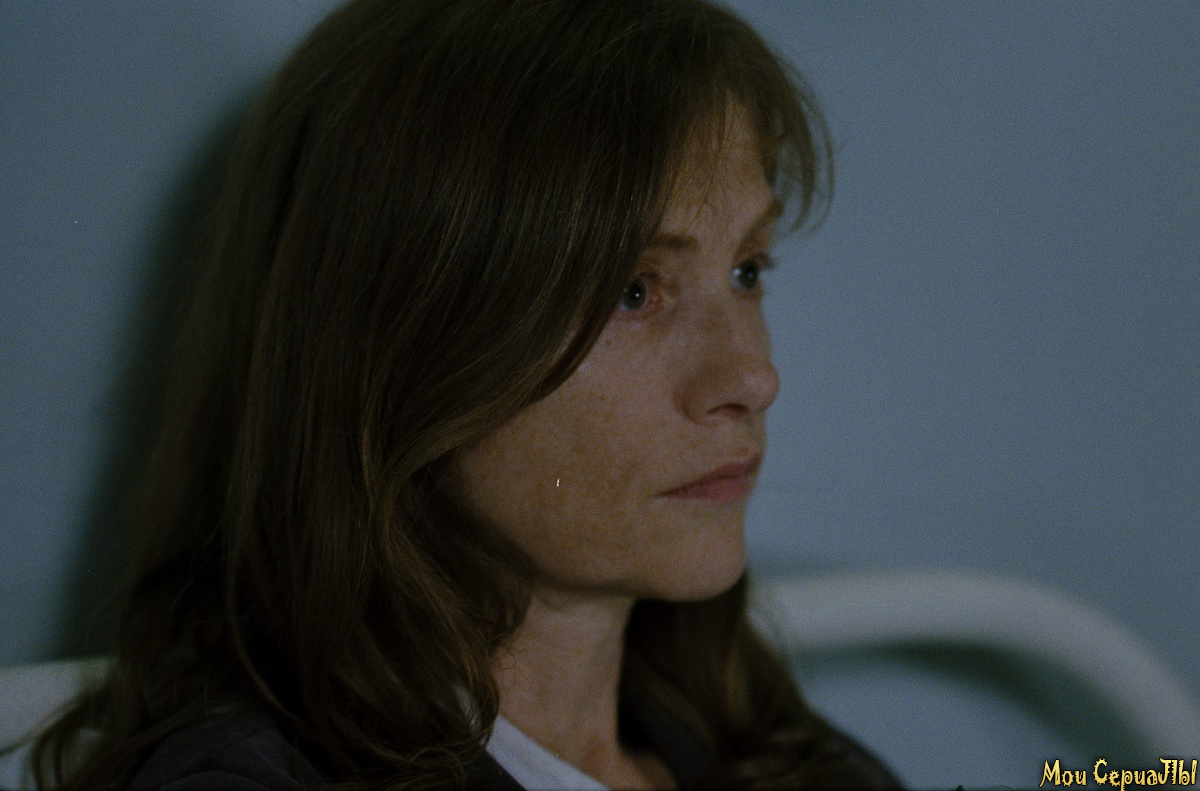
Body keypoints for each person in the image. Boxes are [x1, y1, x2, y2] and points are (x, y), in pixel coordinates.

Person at [33, 0, 899, 788]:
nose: (752, 377)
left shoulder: (785, 754)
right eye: (632, 290)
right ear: (402, 346)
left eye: (747, 269)